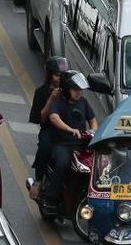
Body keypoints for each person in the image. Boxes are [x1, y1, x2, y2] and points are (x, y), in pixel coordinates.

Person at [43, 71, 98, 208]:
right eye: (75, 89)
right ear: (67, 89)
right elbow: (54, 117)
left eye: (80, 90)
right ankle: (50, 199)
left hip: (81, 145)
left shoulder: (83, 102)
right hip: (62, 145)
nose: (78, 93)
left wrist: (93, 131)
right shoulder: (58, 101)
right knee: (63, 164)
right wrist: (70, 129)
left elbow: (93, 120)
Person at [28, 56, 69, 198]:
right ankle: (38, 181)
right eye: (57, 75)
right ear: (50, 75)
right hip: (49, 130)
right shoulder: (41, 92)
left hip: (67, 130)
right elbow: (40, 119)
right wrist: (51, 99)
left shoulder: (69, 91)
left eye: (62, 75)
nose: (60, 79)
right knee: (45, 146)